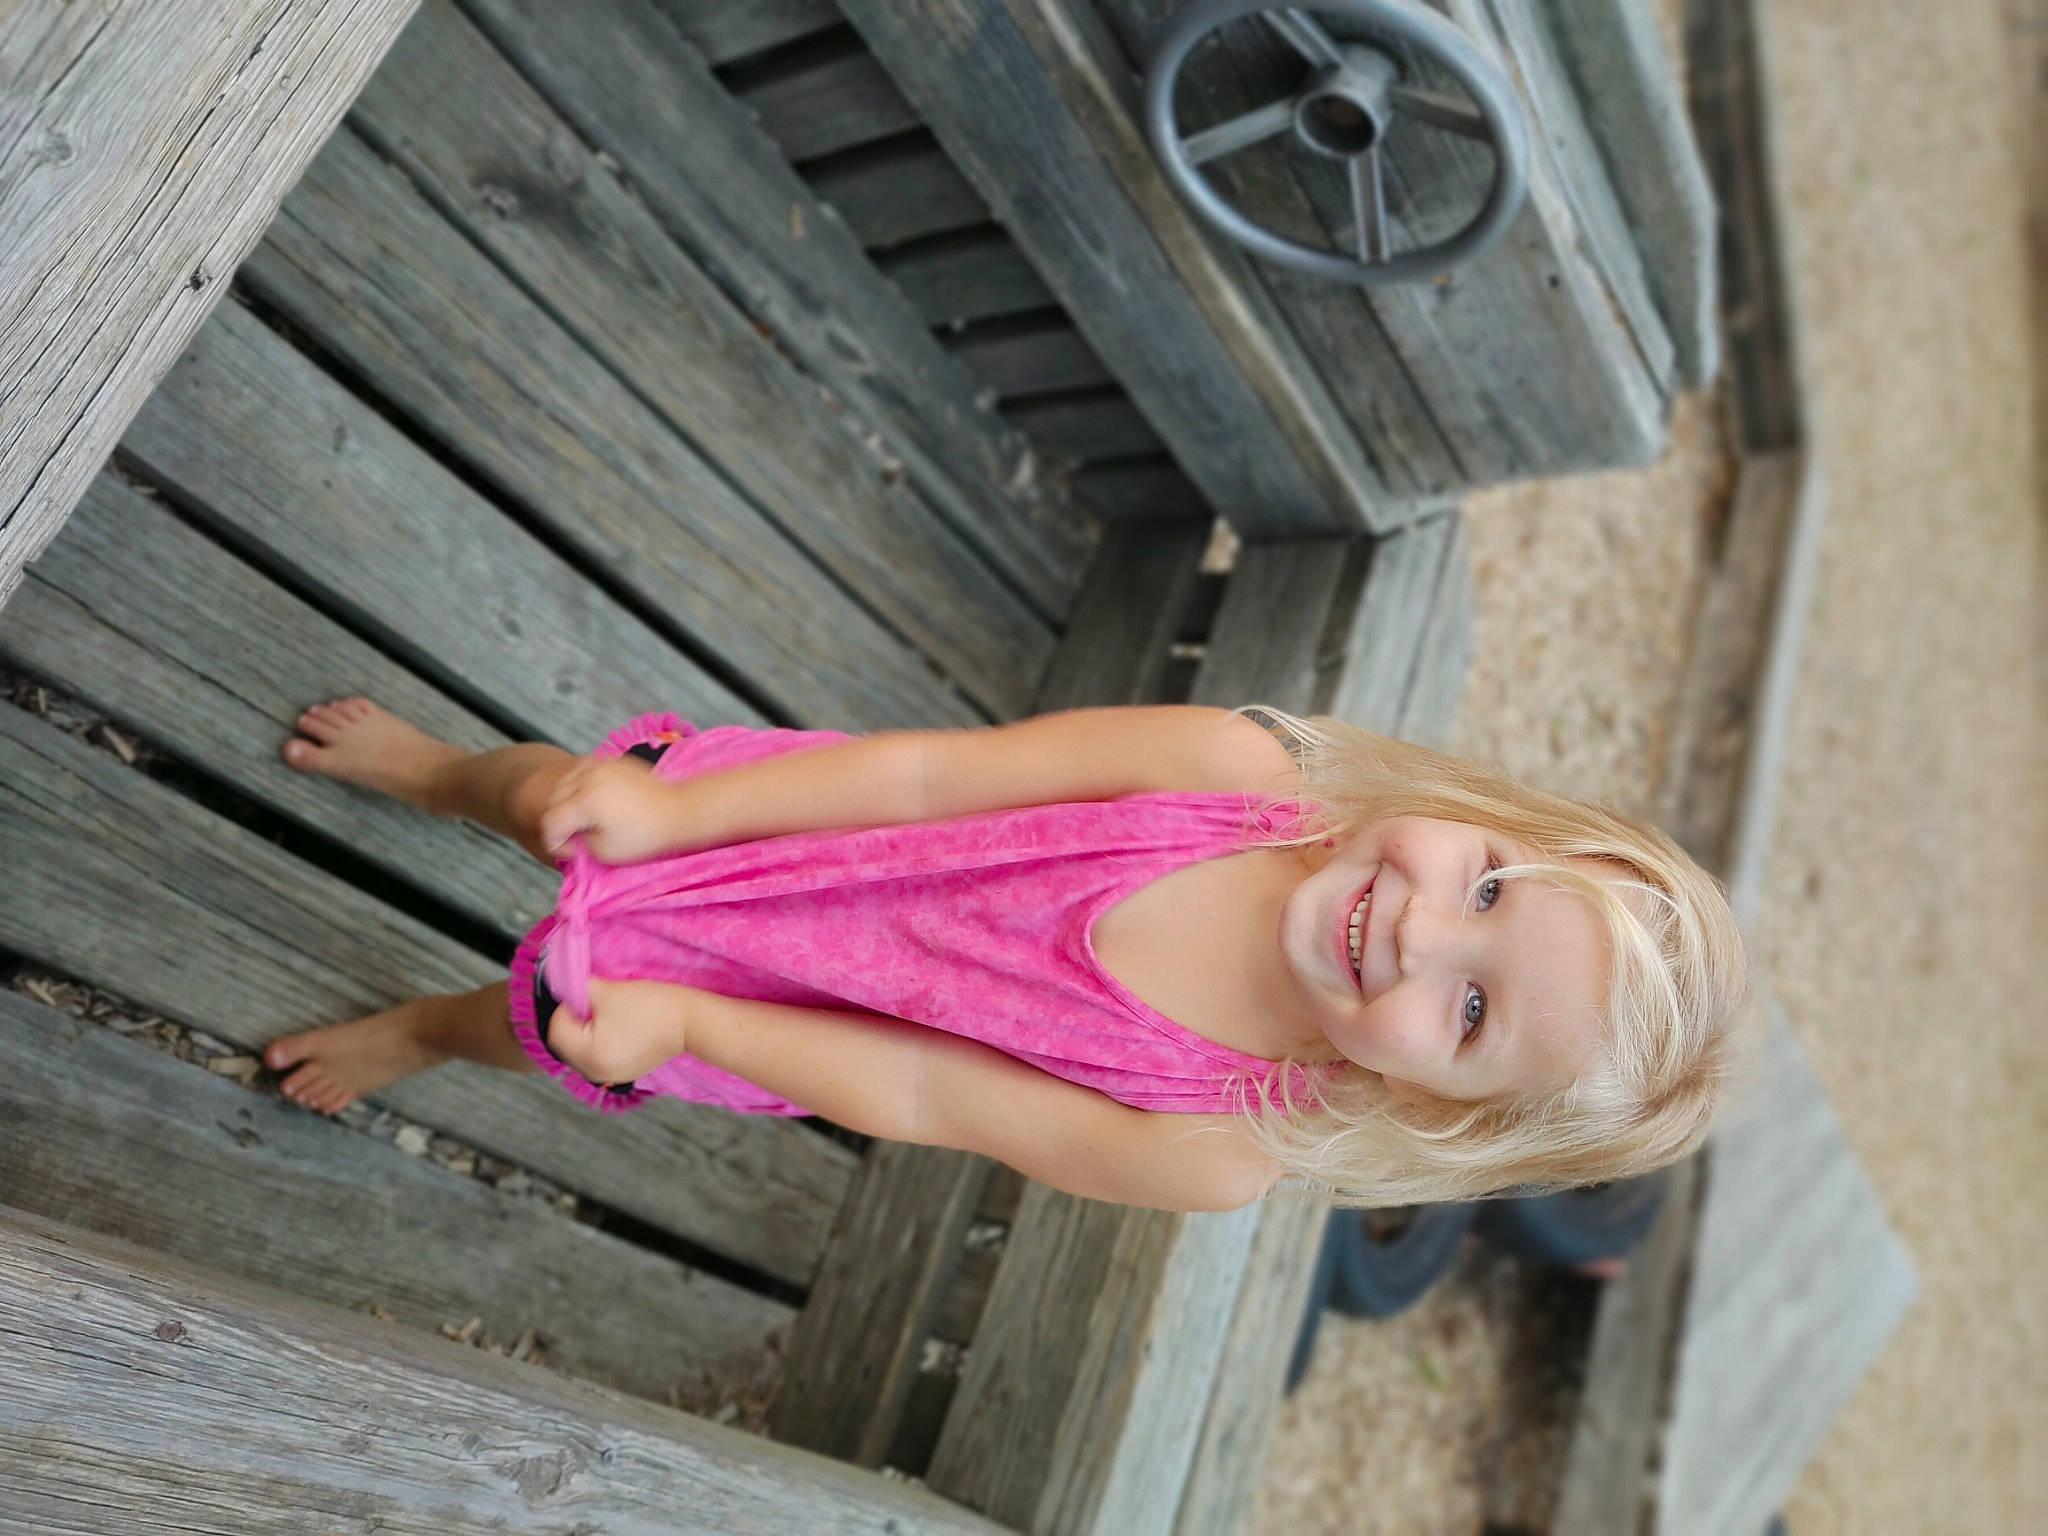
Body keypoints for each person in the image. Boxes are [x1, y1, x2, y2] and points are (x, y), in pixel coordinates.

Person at [263, 698, 1747, 1212]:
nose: (1423, 931)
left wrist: (683, 1033)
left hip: (790, 1008)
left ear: (1434, 1107)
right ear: (1476, 818)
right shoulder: (1233, 770)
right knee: (558, 803)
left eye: (1472, 1008)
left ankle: (418, 1032)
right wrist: (678, 807)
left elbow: (918, 1092)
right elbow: (926, 780)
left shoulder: (1213, 1142)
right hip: (790, 831)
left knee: (538, 1017)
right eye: (1486, 883)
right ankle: (446, 775)